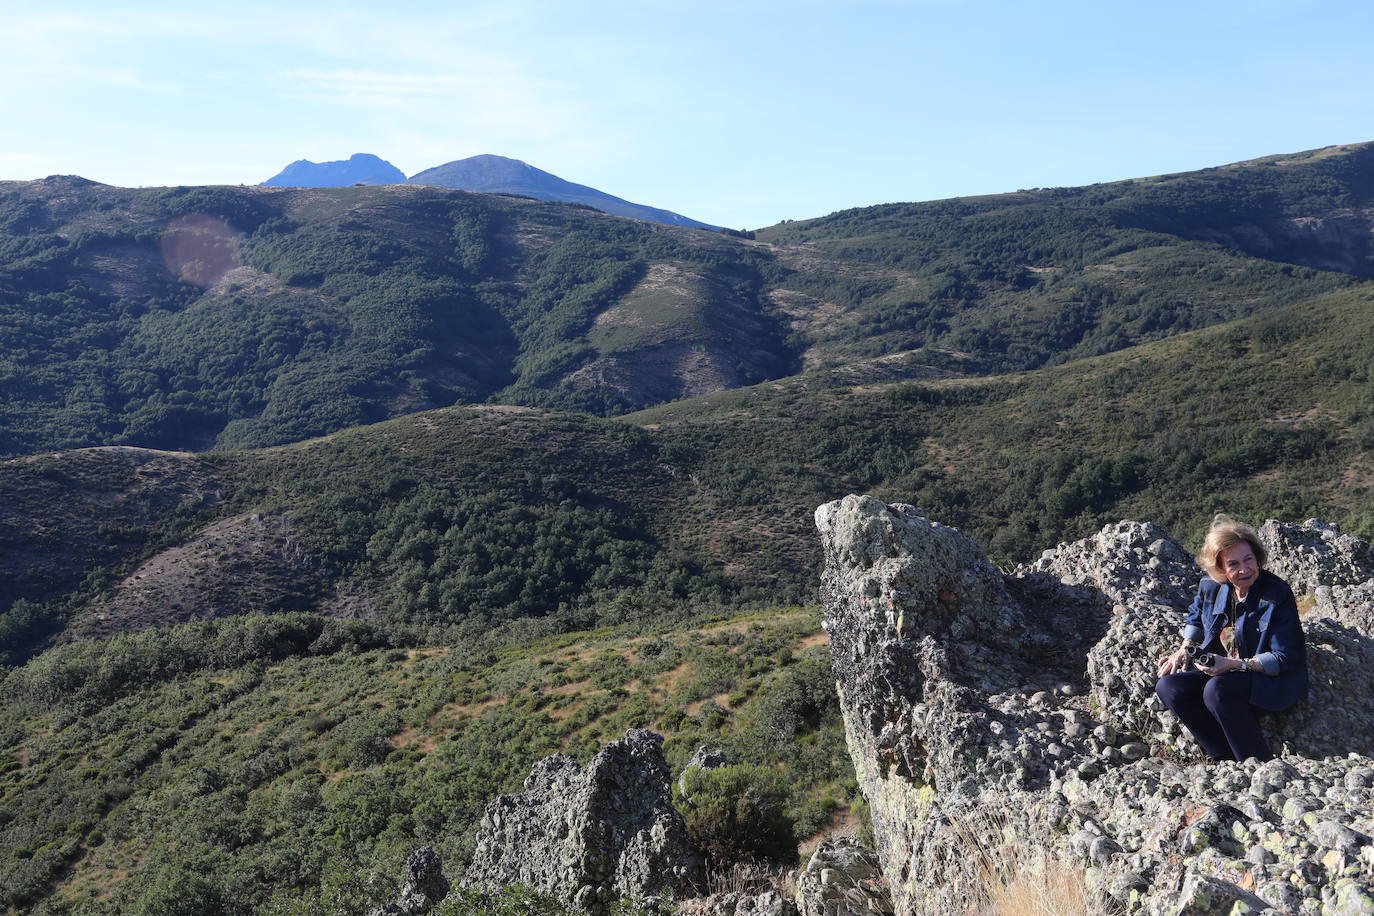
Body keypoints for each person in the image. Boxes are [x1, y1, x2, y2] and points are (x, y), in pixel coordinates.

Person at [1155, 517, 1307, 762]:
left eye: (1249, 559)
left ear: (1257, 557)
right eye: (1233, 564)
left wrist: (1236, 665)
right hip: (1226, 672)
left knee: (1217, 689)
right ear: (1221, 569)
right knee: (1169, 687)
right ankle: (1225, 759)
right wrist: (1185, 649)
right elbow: (1196, 617)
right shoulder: (1210, 587)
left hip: (1271, 681)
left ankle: (1256, 763)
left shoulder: (1276, 594)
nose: (1245, 569)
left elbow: (1285, 657)